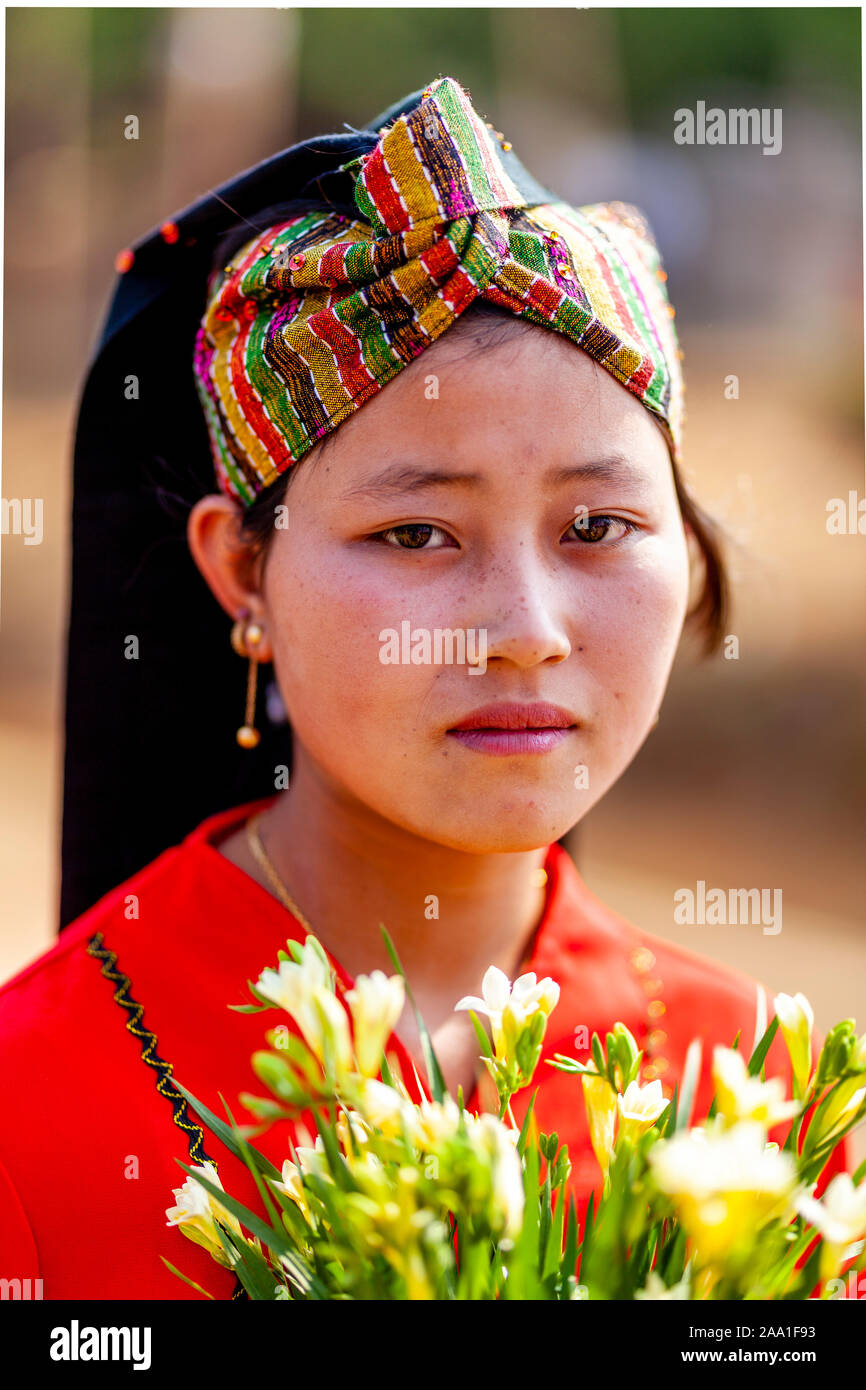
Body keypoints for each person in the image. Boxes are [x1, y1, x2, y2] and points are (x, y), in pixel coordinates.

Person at [0, 76, 849, 1299]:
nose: (525, 631)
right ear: (242, 572)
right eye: (414, 535)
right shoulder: (35, 1111)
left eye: (598, 524)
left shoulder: (760, 1113)